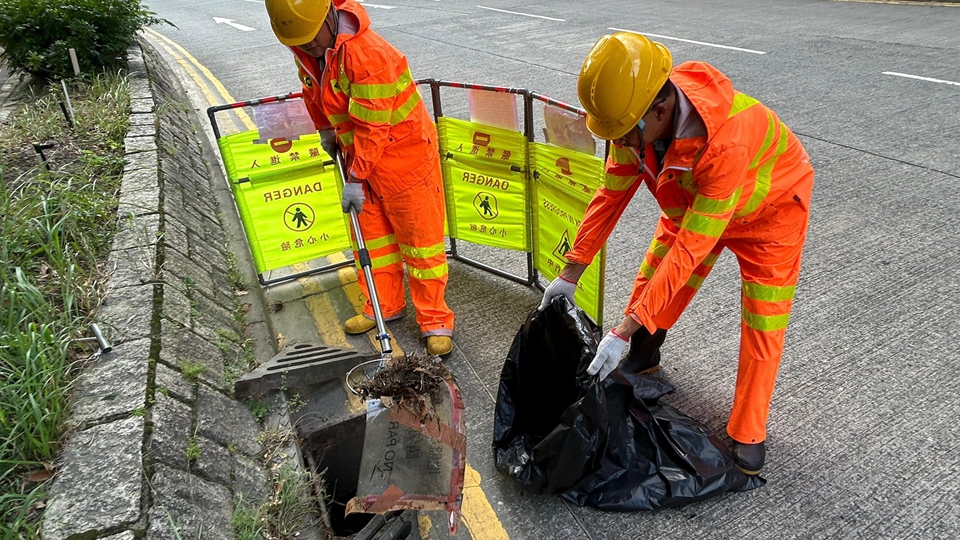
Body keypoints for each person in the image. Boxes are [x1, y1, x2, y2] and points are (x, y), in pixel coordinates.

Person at [540, 32, 814, 475]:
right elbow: (609, 196)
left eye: (626, 136)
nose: (623, 144)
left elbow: (690, 251)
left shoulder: (725, 140)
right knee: (653, 279)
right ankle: (645, 355)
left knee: (764, 319)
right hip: (691, 202)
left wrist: (621, 329)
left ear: (662, 111)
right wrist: (570, 273)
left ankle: (749, 429)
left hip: (771, 214)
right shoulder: (635, 118)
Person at [264, 0, 455, 355]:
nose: (307, 47)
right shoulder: (305, 45)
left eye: (310, 39)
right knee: (373, 242)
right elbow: (313, 92)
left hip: (404, 156)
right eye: (299, 42)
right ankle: (383, 306)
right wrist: (324, 130)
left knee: (420, 243)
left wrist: (354, 178)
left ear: (328, 15)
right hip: (360, 159)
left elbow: (373, 126)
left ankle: (435, 321)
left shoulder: (367, 55)